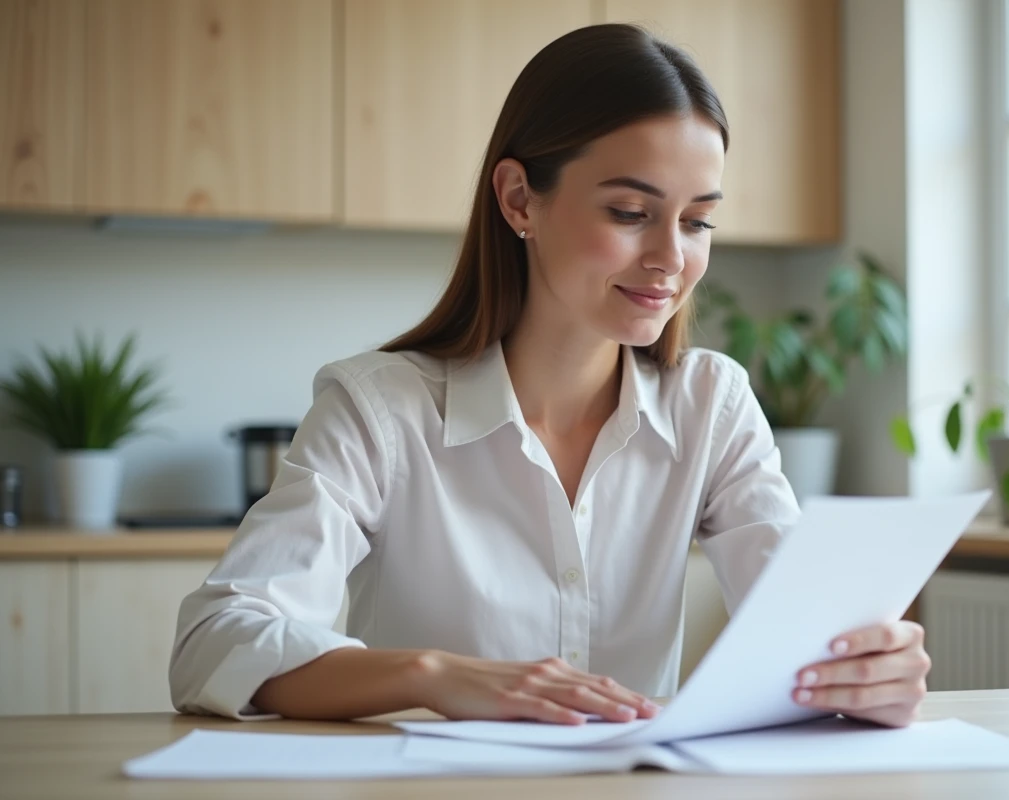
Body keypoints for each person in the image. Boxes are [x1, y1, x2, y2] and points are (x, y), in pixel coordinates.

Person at [168, 23, 931, 728]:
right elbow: (214, 640)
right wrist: (434, 676)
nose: (671, 258)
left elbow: (805, 635)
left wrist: (868, 671)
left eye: (698, 220)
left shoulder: (711, 404)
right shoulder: (381, 409)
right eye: (630, 212)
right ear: (518, 200)